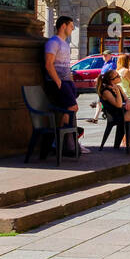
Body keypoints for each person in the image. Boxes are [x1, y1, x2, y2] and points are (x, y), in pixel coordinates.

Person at [43, 15, 88, 156]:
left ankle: (67, 142)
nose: (73, 28)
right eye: (71, 25)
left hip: (67, 82)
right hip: (58, 82)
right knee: (73, 108)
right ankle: (59, 141)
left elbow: (66, 67)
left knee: (69, 111)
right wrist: (58, 82)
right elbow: (48, 64)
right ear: (63, 26)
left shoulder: (65, 43)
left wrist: (71, 83)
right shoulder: (53, 42)